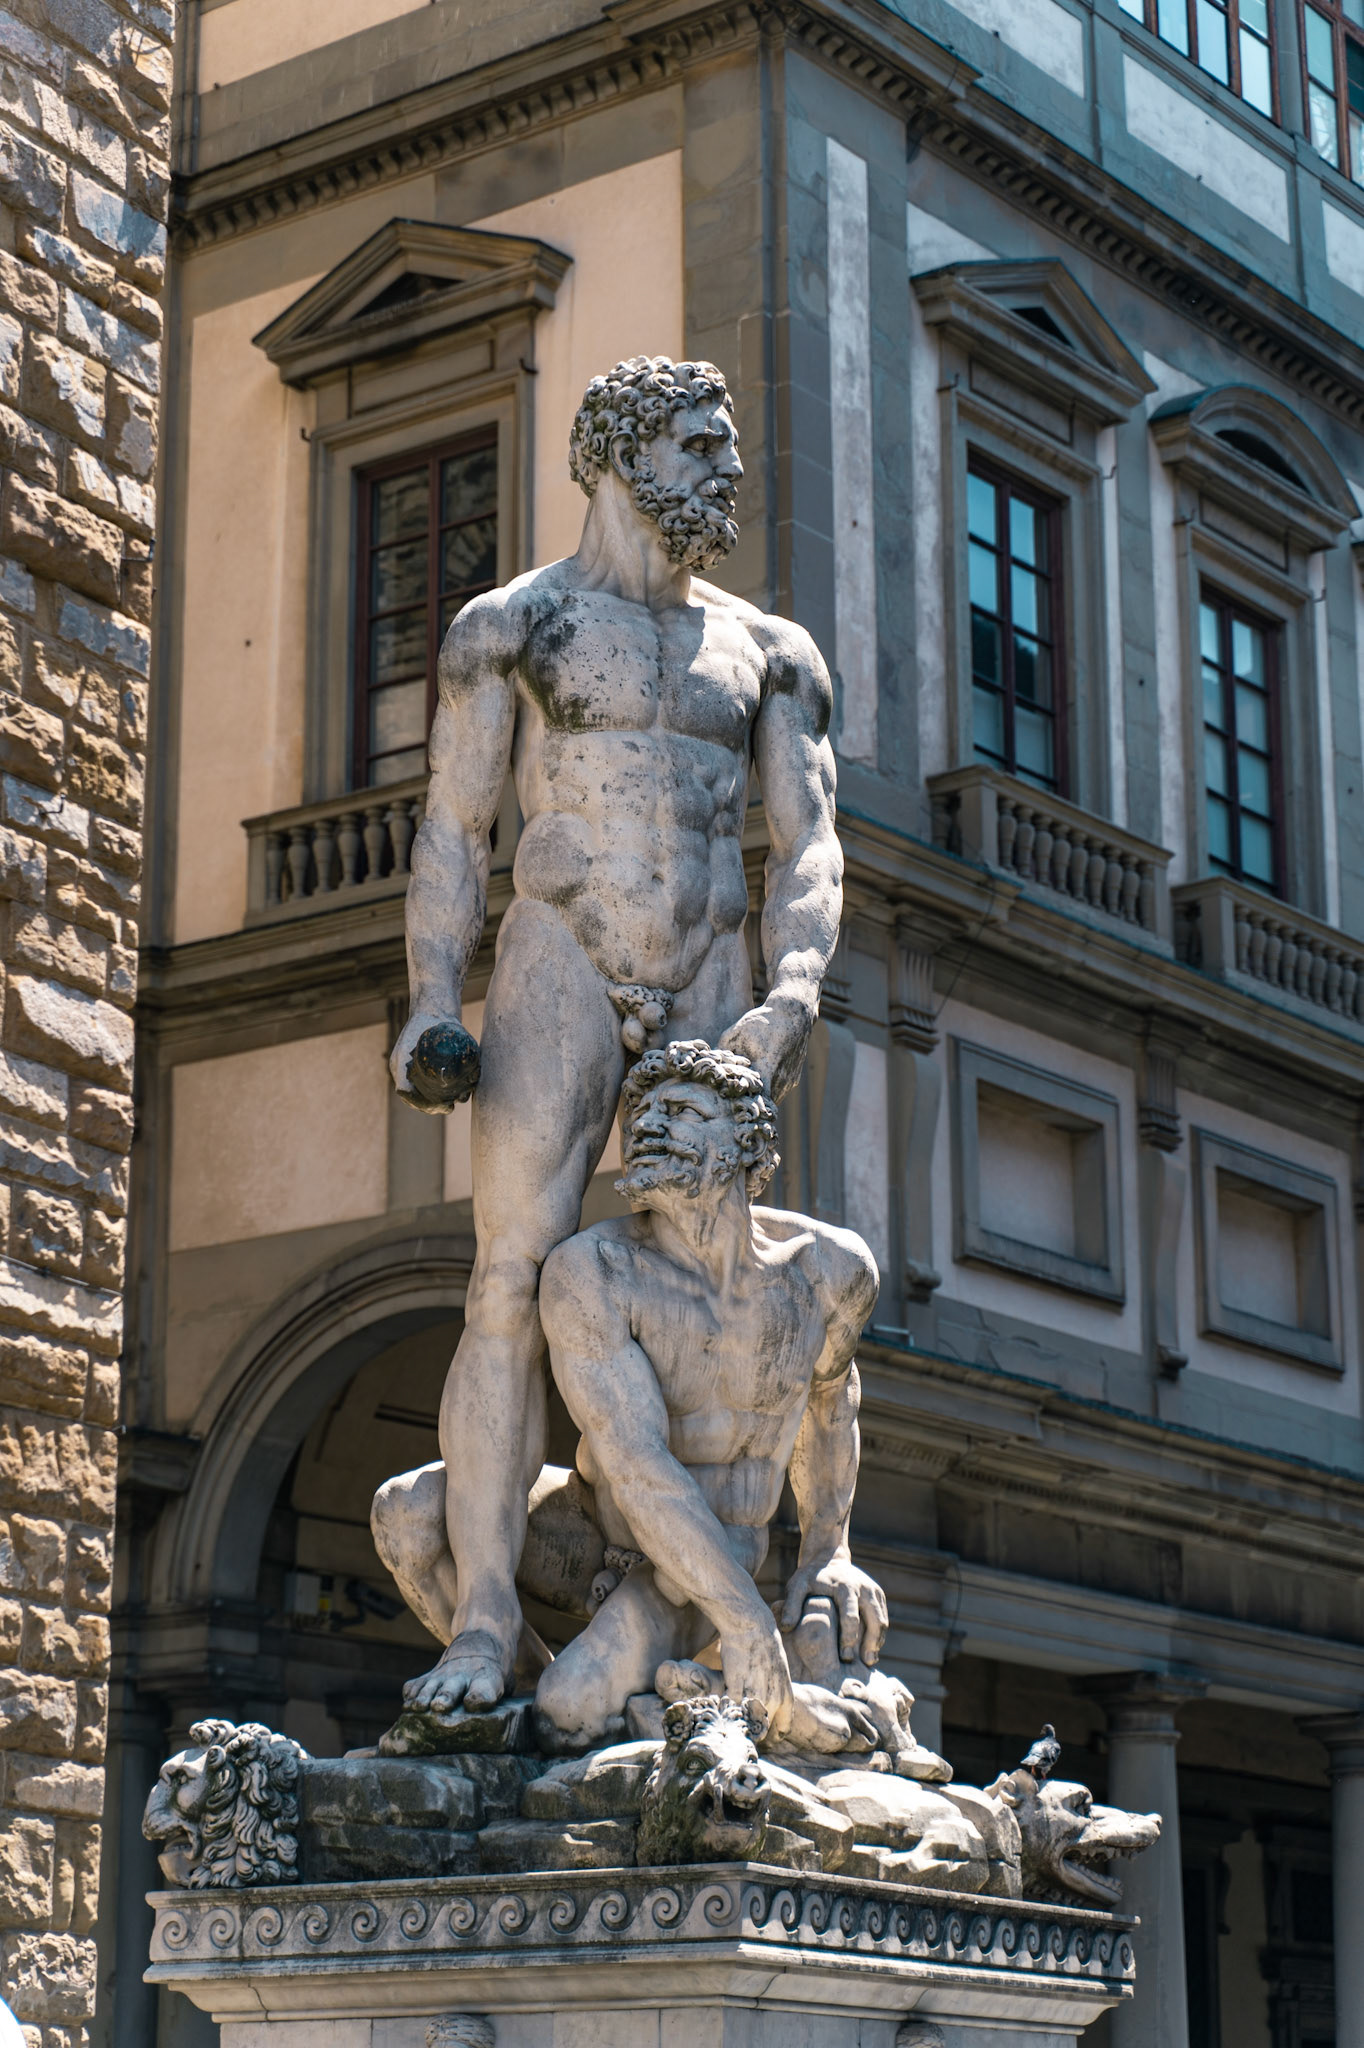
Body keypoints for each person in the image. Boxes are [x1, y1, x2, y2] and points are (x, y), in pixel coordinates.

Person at [389, 356, 844, 1715]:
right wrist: (431, 1000)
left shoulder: (768, 650)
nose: (727, 469)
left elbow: (810, 843)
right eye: (700, 445)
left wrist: (795, 989)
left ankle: (731, 1596)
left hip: (709, 963)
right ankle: (482, 1618)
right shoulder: (514, 625)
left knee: (723, 1275)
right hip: (564, 954)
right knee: (507, 1278)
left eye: (728, 443)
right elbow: (454, 830)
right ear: (619, 452)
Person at [530, 1039, 885, 1754]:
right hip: (597, 1522)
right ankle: (514, 1698)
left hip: (698, 1559)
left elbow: (831, 1400)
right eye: (643, 1115)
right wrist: (750, 1625)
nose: (651, 1126)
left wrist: (828, 1552)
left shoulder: (828, 1271)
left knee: (570, 1707)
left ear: (748, 1143)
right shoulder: (595, 1270)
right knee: (408, 1512)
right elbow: (634, 1463)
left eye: (684, 1111)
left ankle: (674, 1695)